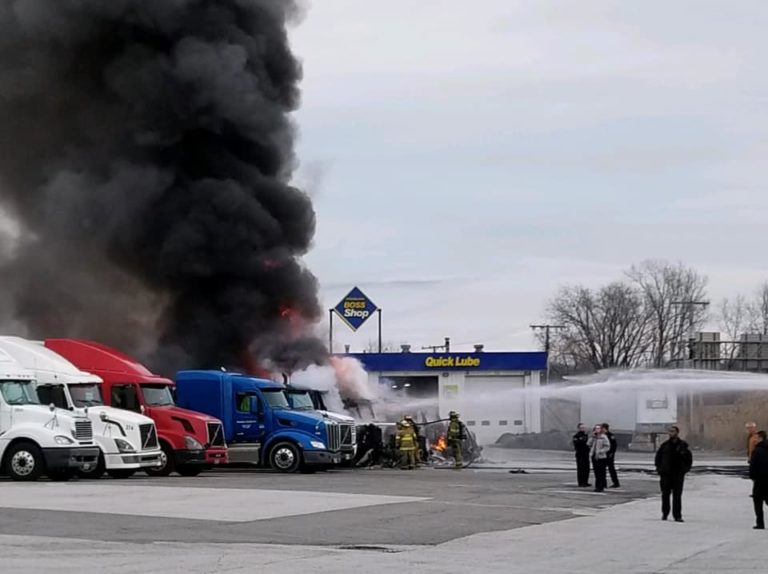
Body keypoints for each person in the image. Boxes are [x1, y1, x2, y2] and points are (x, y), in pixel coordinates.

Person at [655, 426, 693, 522]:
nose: (671, 433)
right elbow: (658, 458)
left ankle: (677, 515)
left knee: (677, 496)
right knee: (665, 495)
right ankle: (665, 513)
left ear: (677, 432)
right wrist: (660, 470)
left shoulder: (683, 445)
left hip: (678, 475)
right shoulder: (664, 446)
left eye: (673, 431)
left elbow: (689, 459)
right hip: (666, 474)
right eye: (670, 431)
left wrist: (684, 470)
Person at [749, 430, 768, 529]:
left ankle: (760, 523)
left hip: (760, 480)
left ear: (760, 438)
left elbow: (753, 467)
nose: (755, 439)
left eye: (756, 437)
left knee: (758, 502)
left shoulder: (756, 451)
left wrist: (752, 477)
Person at [587, 424, 610, 492]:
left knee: (601, 472)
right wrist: (592, 437)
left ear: (601, 429)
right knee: (596, 472)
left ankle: (601, 486)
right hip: (594, 456)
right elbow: (588, 444)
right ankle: (597, 486)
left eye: (598, 428)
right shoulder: (594, 437)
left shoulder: (603, 437)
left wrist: (601, 451)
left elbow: (607, 446)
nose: (597, 430)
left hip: (601, 457)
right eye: (596, 428)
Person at [602, 423, 620, 488]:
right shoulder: (601, 435)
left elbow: (614, 445)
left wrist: (611, 453)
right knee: (602, 470)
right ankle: (603, 483)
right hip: (603, 454)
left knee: (611, 469)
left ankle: (616, 482)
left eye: (602, 428)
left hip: (609, 455)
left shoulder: (610, 436)